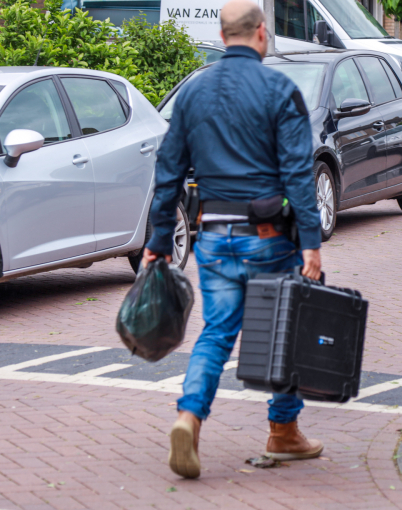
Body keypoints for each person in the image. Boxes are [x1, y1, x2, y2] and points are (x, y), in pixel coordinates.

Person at [142, 0, 324, 479]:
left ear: (223, 37)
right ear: (261, 33)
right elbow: (299, 174)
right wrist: (310, 241)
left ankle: (189, 417)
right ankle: (283, 432)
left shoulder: (193, 94)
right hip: (269, 240)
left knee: (217, 332)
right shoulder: (279, 89)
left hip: (214, 236)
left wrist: (160, 238)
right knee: (282, 331)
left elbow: (168, 173)